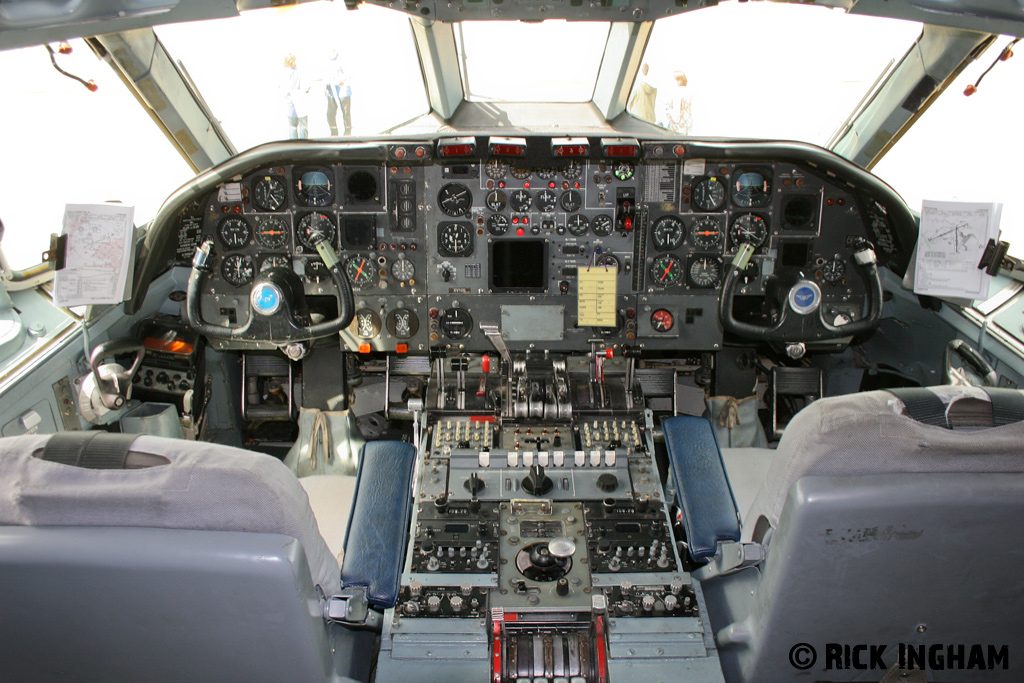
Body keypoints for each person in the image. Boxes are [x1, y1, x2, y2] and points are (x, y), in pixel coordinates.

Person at [281, 53, 310, 139]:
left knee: (292, 126)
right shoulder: (298, 72)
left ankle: (293, 146)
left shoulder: (283, 73)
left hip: (289, 103)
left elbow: (281, 88)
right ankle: (303, 145)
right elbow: (305, 86)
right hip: (300, 101)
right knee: (303, 125)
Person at [324, 50, 352, 137]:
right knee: (330, 114)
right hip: (331, 93)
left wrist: (339, 80)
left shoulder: (342, 60)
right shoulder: (326, 61)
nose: (332, 52)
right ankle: (334, 133)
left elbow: (348, 73)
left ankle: (347, 133)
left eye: (333, 50)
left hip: (343, 92)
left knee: (346, 113)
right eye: (330, 50)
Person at [660, 70, 693, 134]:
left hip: (676, 129)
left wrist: (668, 110)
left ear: (678, 80)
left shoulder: (677, 93)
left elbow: (676, 116)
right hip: (686, 127)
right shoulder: (688, 92)